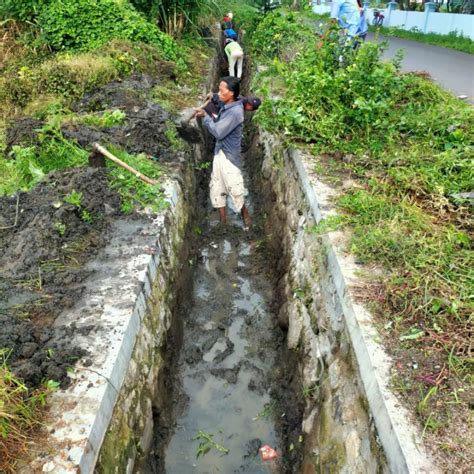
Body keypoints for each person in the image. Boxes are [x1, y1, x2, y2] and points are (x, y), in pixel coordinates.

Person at [194, 77, 251, 229]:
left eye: (221, 90)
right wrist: (213, 97)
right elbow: (219, 102)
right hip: (219, 153)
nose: (219, 92)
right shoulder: (229, 103)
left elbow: (218, 132)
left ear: (231, 93)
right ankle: (223, 223)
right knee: (217, 187)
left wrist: (205, 117)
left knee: (235, 190)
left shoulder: (235, 113)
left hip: (229, 158)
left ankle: (246, 218)